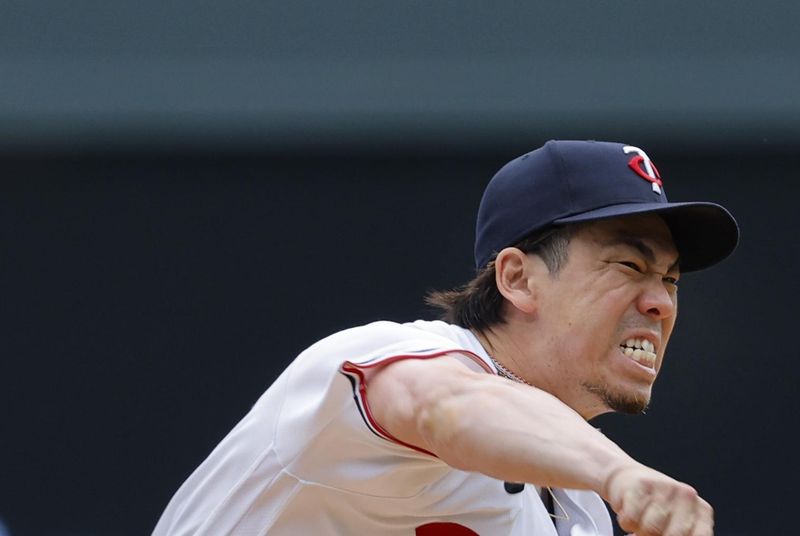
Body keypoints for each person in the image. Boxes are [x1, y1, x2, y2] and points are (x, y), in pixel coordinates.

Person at [153, 140, 738, 536]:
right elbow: (447, 407)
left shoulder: (576, 511)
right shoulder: (388, 358)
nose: (660, 302)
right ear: (517, 278)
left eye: (670, 279)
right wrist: (618, 473)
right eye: (629, 268)